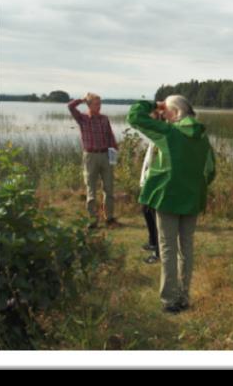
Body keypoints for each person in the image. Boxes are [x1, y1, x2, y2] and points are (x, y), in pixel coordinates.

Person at [127, 95, 216, 314]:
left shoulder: (169, 133)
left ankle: (169, 299)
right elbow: (211, 170)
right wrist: (193, 185)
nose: (163, 114)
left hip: (167, 197)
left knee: (167, 248)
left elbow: (133, 117)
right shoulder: (203, 137)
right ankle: (184, 296)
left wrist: (152, 105)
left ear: (175, 113)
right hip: (192, 198)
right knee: (186, 247)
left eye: (165, 110)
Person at [68, 93, 120, 229]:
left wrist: (114, 148)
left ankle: (109, 218)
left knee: (109, 188)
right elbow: (70, 106)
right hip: (90, 156)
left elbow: (110, 135)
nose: (99, 106)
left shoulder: (104, 119)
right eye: (96, 104)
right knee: (91, 189)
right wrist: (82, 99)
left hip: (105, 155)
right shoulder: (82, 119)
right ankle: (92, 220)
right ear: (89, 105)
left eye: (100, 103)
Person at [139, 112, 161, 264]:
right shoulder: (155, 135)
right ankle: (153, 241)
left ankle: (158, 253)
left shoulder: (163, 135)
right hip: (148, 181)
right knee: (146, 210)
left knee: (156, 216)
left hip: (156, 183)